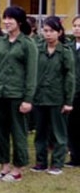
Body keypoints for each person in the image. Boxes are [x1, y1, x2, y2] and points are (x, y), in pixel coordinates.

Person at [0, 5, 37, 182]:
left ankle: (17, 169)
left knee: (18, 132)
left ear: (20, 22)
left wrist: (28, 99)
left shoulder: (27, 44)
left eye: (11, 19)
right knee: (0, 132)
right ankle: (4, 166)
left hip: (17, 95)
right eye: (5, 18)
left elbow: (31, 74)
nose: (7, 22)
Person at [32, 17, 74, 175]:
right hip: (40, 97)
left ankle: (57, 163)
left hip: (57, 98)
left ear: (60, 32)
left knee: (59, 133)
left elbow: (69, 77)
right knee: (40, 132)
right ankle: (40, 162)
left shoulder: (65, 52)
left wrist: (68, 101)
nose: (48, 34)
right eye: (46, 31)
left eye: (52, 31)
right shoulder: (38, 49)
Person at [69, 16, 80, 167]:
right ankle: (75, 157)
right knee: (73, 126)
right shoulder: (68, 47)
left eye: (79, 26)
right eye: (75, 25)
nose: (77, 28)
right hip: (72, 92)